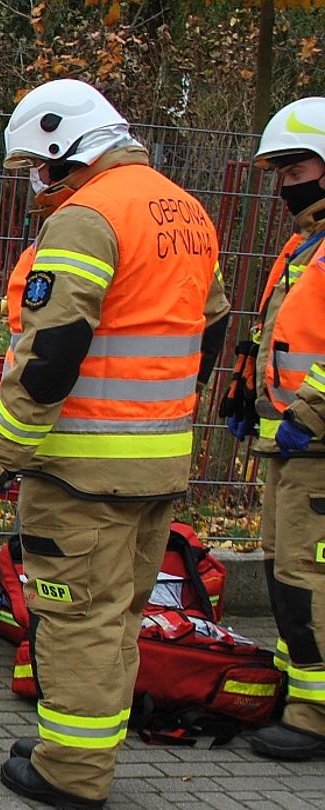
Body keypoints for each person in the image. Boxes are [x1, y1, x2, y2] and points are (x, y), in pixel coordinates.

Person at [0, 79, 228, 808]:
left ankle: (72, 774)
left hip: (82, 470)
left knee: (75, 619)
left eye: (37, 164)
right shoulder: (184, 209)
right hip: (156, 463)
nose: (35, 181)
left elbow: (50, 358)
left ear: (66, 148)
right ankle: (82, 744)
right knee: (117, 616)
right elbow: (212, 324)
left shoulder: (88, 218)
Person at [241, 97, 325, 761]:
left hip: (316, 447)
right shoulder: (306, 249)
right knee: (284, 573)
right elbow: (284, 336)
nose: (283, 184)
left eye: (294, 167)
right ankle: (295, 693)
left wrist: (310, 416)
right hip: (292, 446)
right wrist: (250, 394)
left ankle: (315, 717)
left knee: (309, 580)